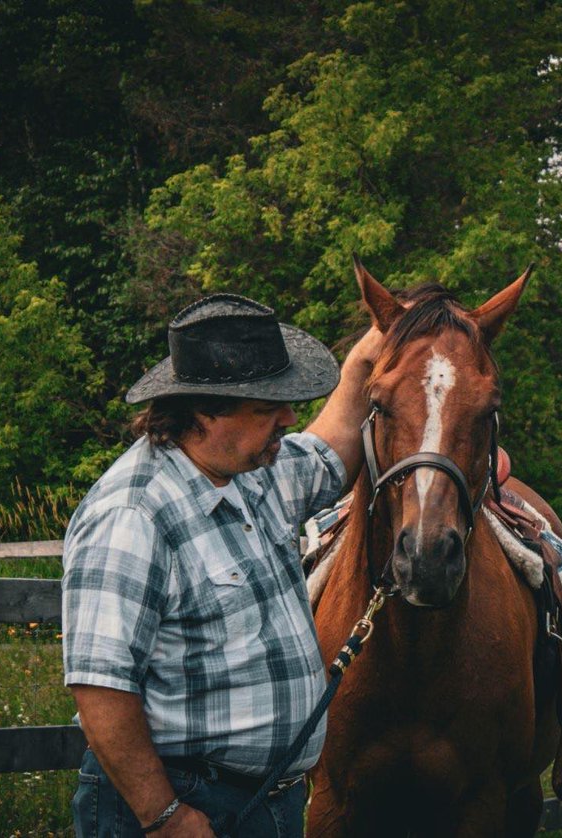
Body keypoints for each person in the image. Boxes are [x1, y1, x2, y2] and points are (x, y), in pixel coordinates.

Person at [62, 293, 379, 837]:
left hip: (261, 801)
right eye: (267, 408)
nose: (289, 419)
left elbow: (330, 452)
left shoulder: (254, 471)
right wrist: (162, 816)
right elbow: (101, 690)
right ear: (205, 410)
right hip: (185, 804)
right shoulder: (133, 514)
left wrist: (370, 356)